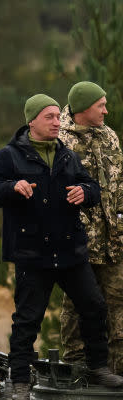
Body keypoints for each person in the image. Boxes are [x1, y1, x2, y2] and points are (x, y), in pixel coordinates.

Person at [0, 94, 123, 400]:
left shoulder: (67, 155)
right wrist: (12, 187)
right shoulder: (10, 156)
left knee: (94, 306)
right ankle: (19, 381)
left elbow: (94, 189)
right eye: (50, 117)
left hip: (70, 250)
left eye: (59, 116)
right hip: (33, 254)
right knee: (27, 319)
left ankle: (98, 367)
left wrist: (83, 192)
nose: (58, 122)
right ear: (32, 121)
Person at [58, 82, 123, 371]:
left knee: (118, 301)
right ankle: (76, 371)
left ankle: (116, 368)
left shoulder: (109, 137)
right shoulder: (58, 142)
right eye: (101, 106)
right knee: (76, 306)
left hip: (114, 240)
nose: (106, 111)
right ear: (84, 109)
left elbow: (119, 184)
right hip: (79, 243)